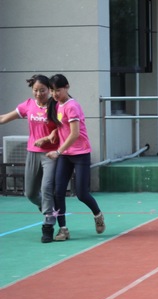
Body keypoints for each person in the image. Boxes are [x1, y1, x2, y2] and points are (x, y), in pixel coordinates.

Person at [45, 74, 105, 240]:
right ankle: (63, 229)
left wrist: (58, 152)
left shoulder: (72, 106)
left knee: (81, 194)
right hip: (66, 154)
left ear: (67, 87)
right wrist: (54, 133)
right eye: (52, 90)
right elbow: (63, 126)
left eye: (58, 90)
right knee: (58, 192)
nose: (55, 93)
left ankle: (98, 215)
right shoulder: (58, 105)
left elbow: (75, 133)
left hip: (80, 154)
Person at [0, 75, 60, 243]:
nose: (39, 93)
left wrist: (48, 138)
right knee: (31, 193)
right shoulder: (28, 105)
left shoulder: (55, 106)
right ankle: (46, 208)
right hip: (33, 152)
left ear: (49, 90)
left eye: (42, 90)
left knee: (47, 187)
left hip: (51, 154)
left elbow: (61, 129)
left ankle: (48, 225)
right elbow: (4, 118)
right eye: (35, 90)